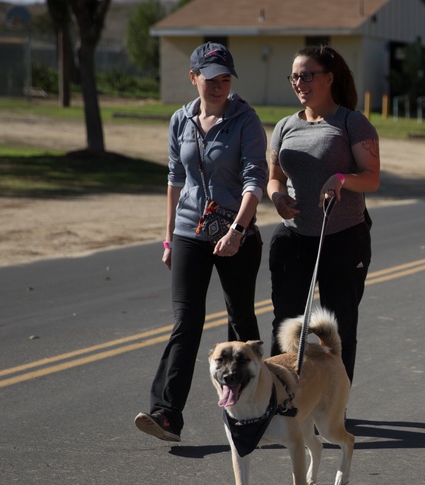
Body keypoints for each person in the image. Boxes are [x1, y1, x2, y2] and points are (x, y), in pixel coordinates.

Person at [134, 42, 268, 442]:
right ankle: (167, 414)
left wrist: (238, 231)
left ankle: (255, 410)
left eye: (225, 78)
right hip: (191, 230)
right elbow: (176, 179)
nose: (218, 86)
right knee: (186, 322)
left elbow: (254, 179)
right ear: (194, 78)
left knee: (240, 323)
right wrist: (169, 237)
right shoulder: (181, 120)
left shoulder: (246, 120)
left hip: (236, 231)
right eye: (210, 79)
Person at [267, 45, 380, 383]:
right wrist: (277, 196)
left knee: (339, 326)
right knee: (286, 324)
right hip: (294, 235)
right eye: (294, 77)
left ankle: (333, 403)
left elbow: (372, 178)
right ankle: (285, 395)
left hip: (343, 237)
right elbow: (275, 176)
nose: (299, 82)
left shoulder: (351, 123)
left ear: (328, 79)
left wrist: (343, 178)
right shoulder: (285, 126)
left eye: (307, 75)